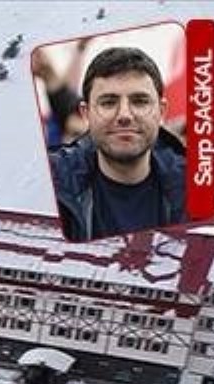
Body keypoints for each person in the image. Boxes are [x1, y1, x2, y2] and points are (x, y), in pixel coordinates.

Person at [48, 46, 187, 241]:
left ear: (161, 111)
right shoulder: (49, 181)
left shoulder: (199, 187)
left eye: (139, 101)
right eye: (108, 102)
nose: (124, 115)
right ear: (86, 113)